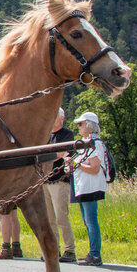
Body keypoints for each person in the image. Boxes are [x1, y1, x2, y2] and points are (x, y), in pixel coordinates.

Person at [69, 111, 108, 267]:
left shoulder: (94, 143)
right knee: (88, 220)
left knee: (91, 221)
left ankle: (95, 254)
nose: (78, 127)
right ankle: (93, 253)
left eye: (81, 124)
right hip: (84, 187)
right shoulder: (86, 142)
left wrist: (74, 165)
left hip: (90, 187)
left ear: (89, 125)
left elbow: (94, 168)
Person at [44, 108, 77, 263]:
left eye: (54, 116)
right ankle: (53, 250)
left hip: (60, 180)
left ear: (61, 118)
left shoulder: (67, 134)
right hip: (46, 180)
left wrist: (44, 156)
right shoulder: (46, 135)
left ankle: (69, 249)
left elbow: (60, 154)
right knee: (49, 219)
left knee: (61, 217)